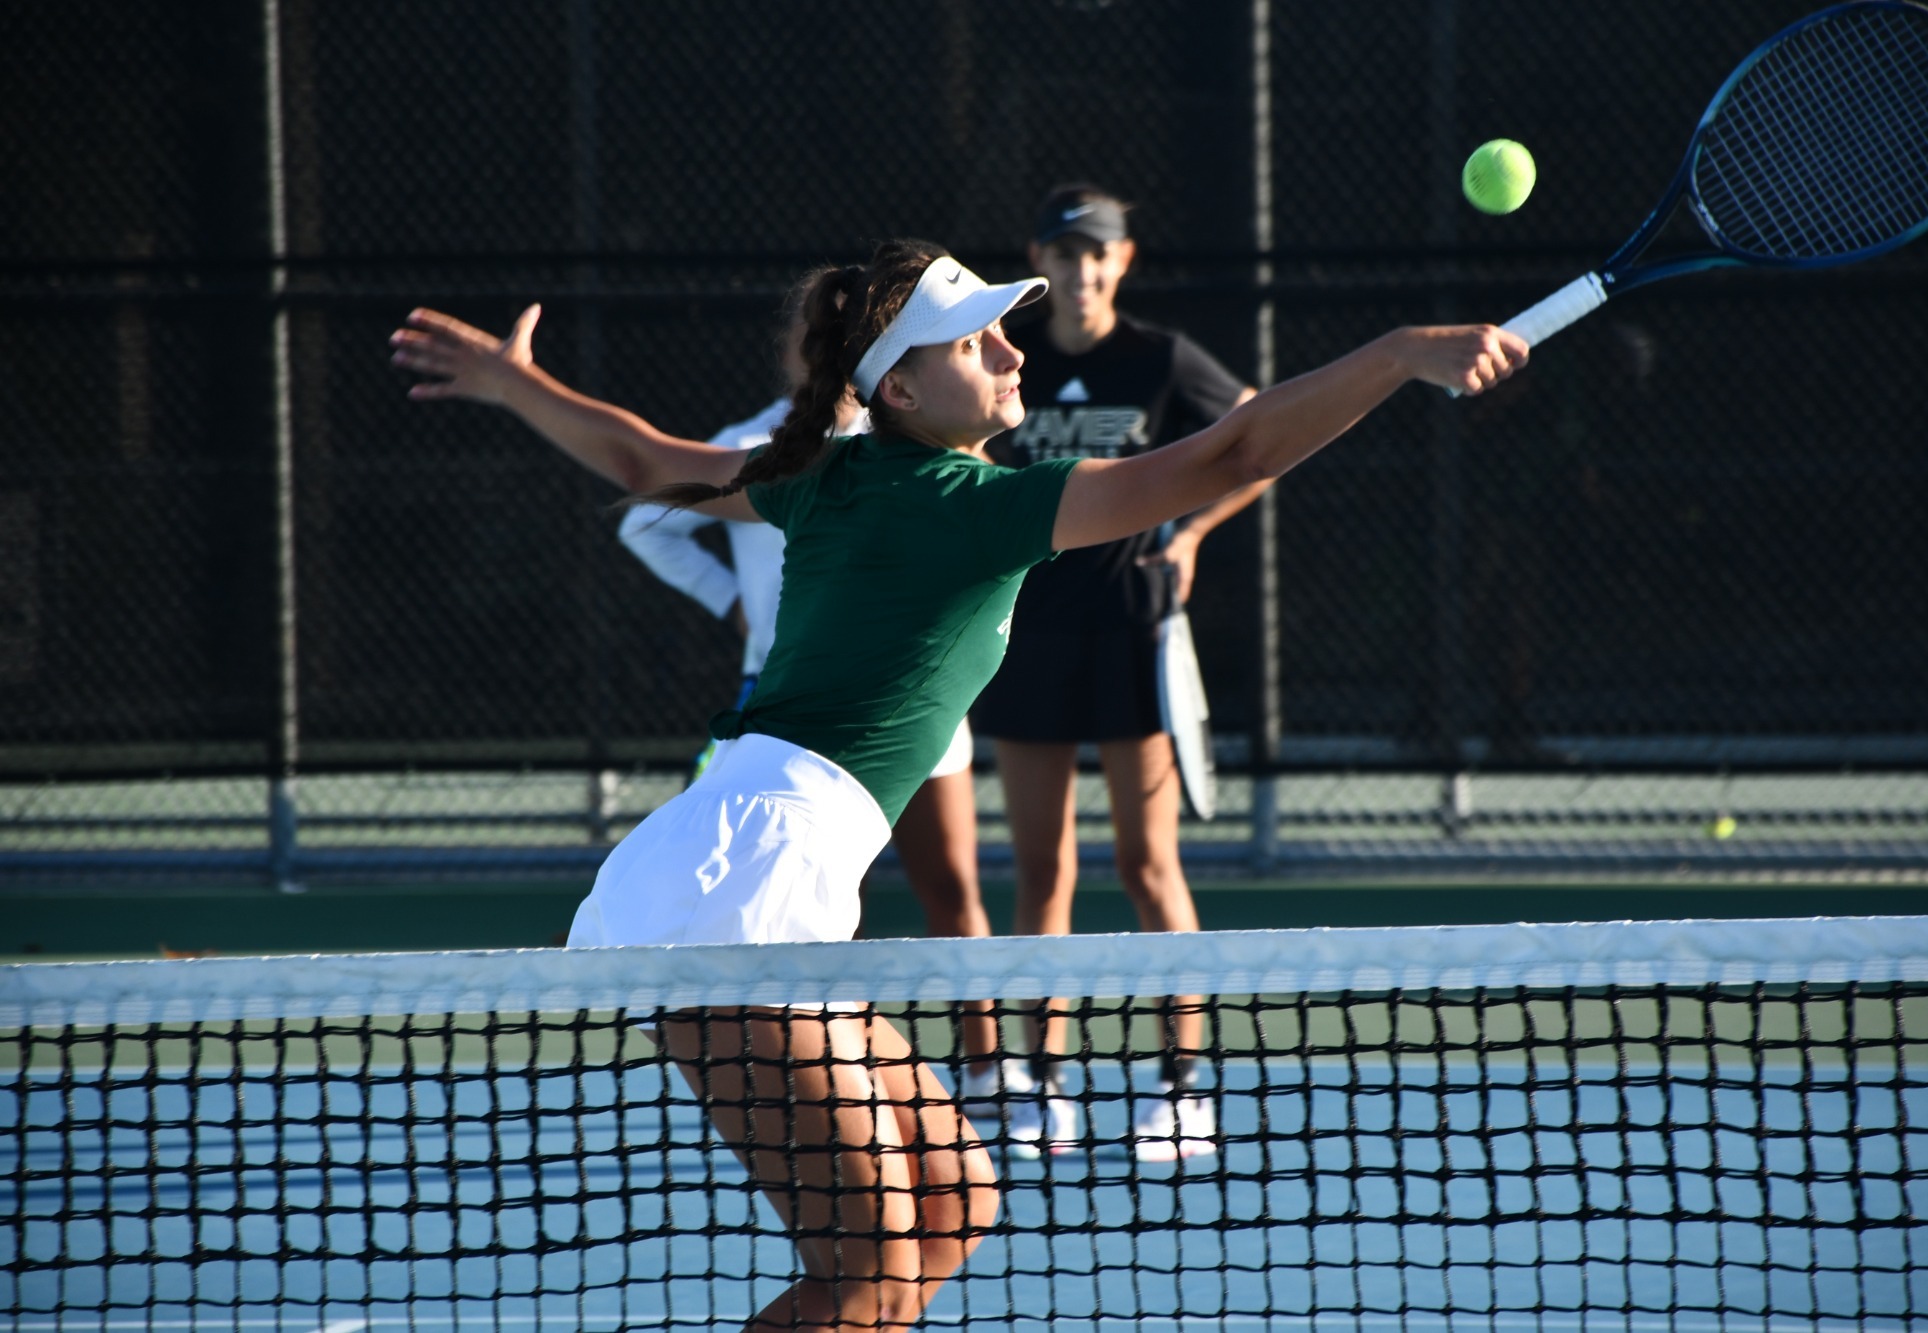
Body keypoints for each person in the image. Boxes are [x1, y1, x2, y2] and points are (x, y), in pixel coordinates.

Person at [390, 238, 1523, 1332]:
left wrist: (514, 384)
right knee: (865, 1266)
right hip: (747, 879)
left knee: (954, 1201)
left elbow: (644, 460)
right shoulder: (964, 508)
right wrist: (1396, 353)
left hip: (756, 868)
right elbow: (1227, 456)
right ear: (901, 390)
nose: (1013, 353)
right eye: (977, 341)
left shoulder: (828, 478)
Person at [616, 279, 1023, 1102]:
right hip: (795, 727)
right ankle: (827, 1069)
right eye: (818, 334)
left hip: (914, 709)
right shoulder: (767, 449)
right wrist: (728, 600)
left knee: (952, 888)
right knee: (816, 903)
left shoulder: (915, 442)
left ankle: (987, 1064)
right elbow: (640, 512)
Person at [976, 184, 1267, 1161]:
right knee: (1042, 871)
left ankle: (1181, 1088)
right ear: (1038, 258)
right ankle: (1040, 1087)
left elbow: (1258, 441)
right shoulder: (1003, 355)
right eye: (1063, 252)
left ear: (1122, 260)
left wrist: (1189, 534)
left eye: (1096, 252)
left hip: (1133, 634)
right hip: (1027, 638)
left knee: (1148, 867)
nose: (1079, 268)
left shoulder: (1160, 359)